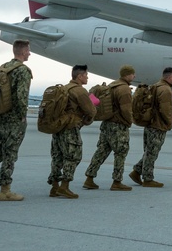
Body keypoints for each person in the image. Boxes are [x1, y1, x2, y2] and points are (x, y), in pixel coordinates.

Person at [0, 40, 32, 201]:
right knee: (10, 153)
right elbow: (21, 97)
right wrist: (22, 116)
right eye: (28, 51)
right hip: (13, 118)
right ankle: (5, 189)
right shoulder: (22, 70)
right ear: (23, 52)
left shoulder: (3, 67)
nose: (29, 53)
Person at [84, 65, 135, 191]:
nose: (134, 77)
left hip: (106, 124)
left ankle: (89, 178)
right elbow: (126, 109)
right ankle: (117, 181)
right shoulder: (124, 89)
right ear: (127, 75)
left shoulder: (111, 85)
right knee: (120, 152)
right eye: (133, 74)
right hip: (118, 125)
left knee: (101, 151)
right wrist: (129, 122)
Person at [48, 65, 96, 199]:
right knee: (74, 156)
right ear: (80, 76)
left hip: (58, 127)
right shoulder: (80, 91)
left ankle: (54, 187)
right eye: (86, 75)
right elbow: (91, 111)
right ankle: (65, 186)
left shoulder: (64, 88)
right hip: (70, 127)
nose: (87, 77)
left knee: (57, 157)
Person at [130, 67, 172, 188]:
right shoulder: (165, 90)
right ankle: (148, 179)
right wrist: (169, 123)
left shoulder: (155, 86)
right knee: (152, 152)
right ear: (169, 77)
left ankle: (136, 171)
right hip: (158, 125)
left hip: (149, 123)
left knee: (149, 151)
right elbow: (165, 110)